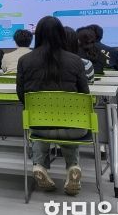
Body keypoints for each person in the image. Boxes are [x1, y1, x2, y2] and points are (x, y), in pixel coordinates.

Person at [16, 16, 90, 196]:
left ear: (38, 35)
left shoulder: (25, 60)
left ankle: (39, 165)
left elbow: (21, 94)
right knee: (68, 121)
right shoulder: (75, 60)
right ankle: (73, 166)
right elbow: (84, 96)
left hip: (39, 126)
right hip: (74, 127)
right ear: (61, 35)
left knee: (41, 127)